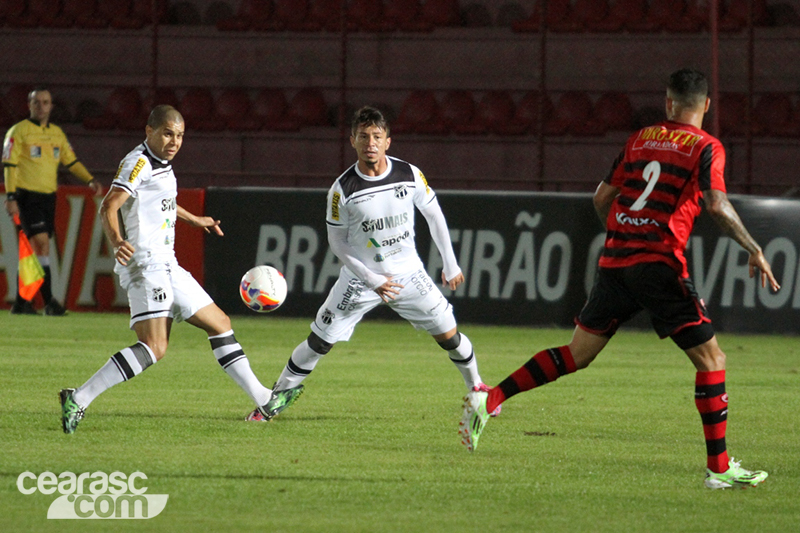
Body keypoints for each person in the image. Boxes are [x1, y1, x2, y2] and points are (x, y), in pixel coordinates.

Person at [459, 68, 781, 490]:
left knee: (577, 354)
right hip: (661, 263)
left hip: (616, 261)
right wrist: (754, 248)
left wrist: (623, 233)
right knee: (712, 360)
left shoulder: (640, 138)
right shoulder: (707, 146)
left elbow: (602, 198)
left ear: (668, 103)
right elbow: (718, 206)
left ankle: (491, 397)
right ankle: (719, 470)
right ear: (706, 105)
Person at [58, 105, 298, 434]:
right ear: (150, 131)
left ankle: (264, 398)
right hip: (145, 264)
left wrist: (195, 220)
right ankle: (79, 398)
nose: (175, 141)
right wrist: (116, 241)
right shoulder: (138, 162)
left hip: (167, 263)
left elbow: (164, 201)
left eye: (180, 135)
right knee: (155, 347)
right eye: (168, 133)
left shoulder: (162, 165)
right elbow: (109, 205)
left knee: (220, 323)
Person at [247, 106, 496, 421]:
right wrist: (371, 278)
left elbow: (434, 214)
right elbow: (338, 242)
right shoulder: (342, 191)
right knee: (319, 342)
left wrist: (450, 263)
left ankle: (478, 389)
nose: (370, 143)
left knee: (450, 336)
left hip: (408, 275)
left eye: (377, 136)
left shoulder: (409, 174)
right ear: (352, 140)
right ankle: (272, 402)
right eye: (363, 136)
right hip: (359, 280)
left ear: (388, 141)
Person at [3, 87, 102, 315]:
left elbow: (71, 161)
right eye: (36, 102)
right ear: (29, 105)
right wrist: (11, 196)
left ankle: (22, 302)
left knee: (37, 250)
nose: (41, 106)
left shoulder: (57, 134)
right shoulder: (18, 132)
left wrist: (89, 179)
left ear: (51, 106)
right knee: (41, 245)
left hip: (48, 197)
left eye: (45, 102)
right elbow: (9, 165)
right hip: (27, 195)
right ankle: (49, 302)